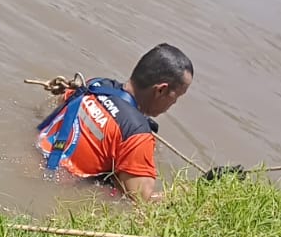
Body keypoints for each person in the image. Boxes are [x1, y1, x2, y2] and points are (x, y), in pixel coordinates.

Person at [35, 44, 193, 202]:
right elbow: (144, 202)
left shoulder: (95, 85)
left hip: (35, 153)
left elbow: (57, 104)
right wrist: (194, 189)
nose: (174, 103)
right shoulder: (136, 133)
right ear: (161, 90)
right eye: (177, 96)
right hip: (56, 187)